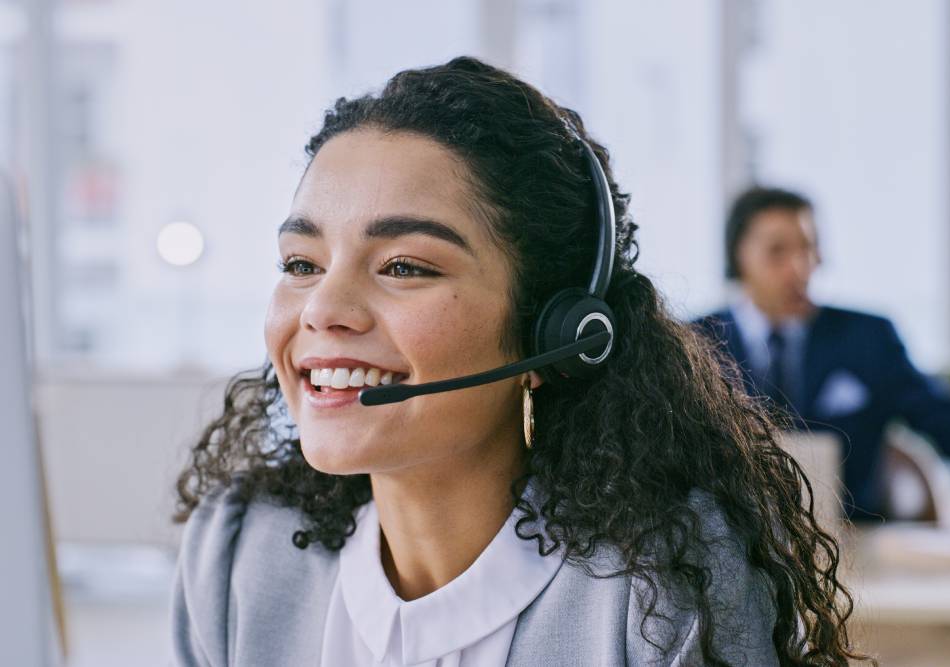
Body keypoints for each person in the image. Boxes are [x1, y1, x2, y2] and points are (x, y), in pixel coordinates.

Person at [170, 58, 866, 666]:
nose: (323, 308)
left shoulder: (660, 587)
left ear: (551, 331)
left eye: (404, 266)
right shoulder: (236, 555)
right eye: (301, 262)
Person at [692, 186, 950, 519]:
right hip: (731, 543)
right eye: (777, 251)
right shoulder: (694, 343)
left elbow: (946, 419)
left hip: (855, 544)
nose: (800, 267)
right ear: (739, 255)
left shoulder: (866, 337)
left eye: (808, 248)